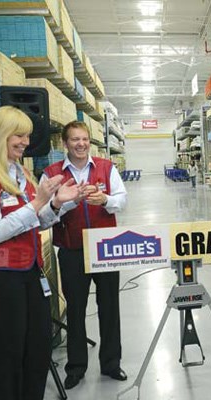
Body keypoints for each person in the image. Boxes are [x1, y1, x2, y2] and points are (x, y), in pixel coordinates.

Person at [0, 106, 82, 400]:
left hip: (29, 272)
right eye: (18, 135)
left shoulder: (20, 172)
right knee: (9, 354)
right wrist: (36, 203)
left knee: (38, 349)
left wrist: (56, 205)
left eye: (27, 135)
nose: (25, 142)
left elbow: (37, 221)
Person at [42, 121, 128, 390]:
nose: (81, 144)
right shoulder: (52, 173)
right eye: (75, 140)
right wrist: (69, 202)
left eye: (85, 139)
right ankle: (76, 367)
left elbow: (122, 200)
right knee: (75, 311)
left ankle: (111, 363)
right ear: (65, 143)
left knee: (109, 307)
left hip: (105, 249)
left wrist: (105, 200)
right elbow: (43, 214)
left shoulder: (106, 167)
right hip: (71, 250)